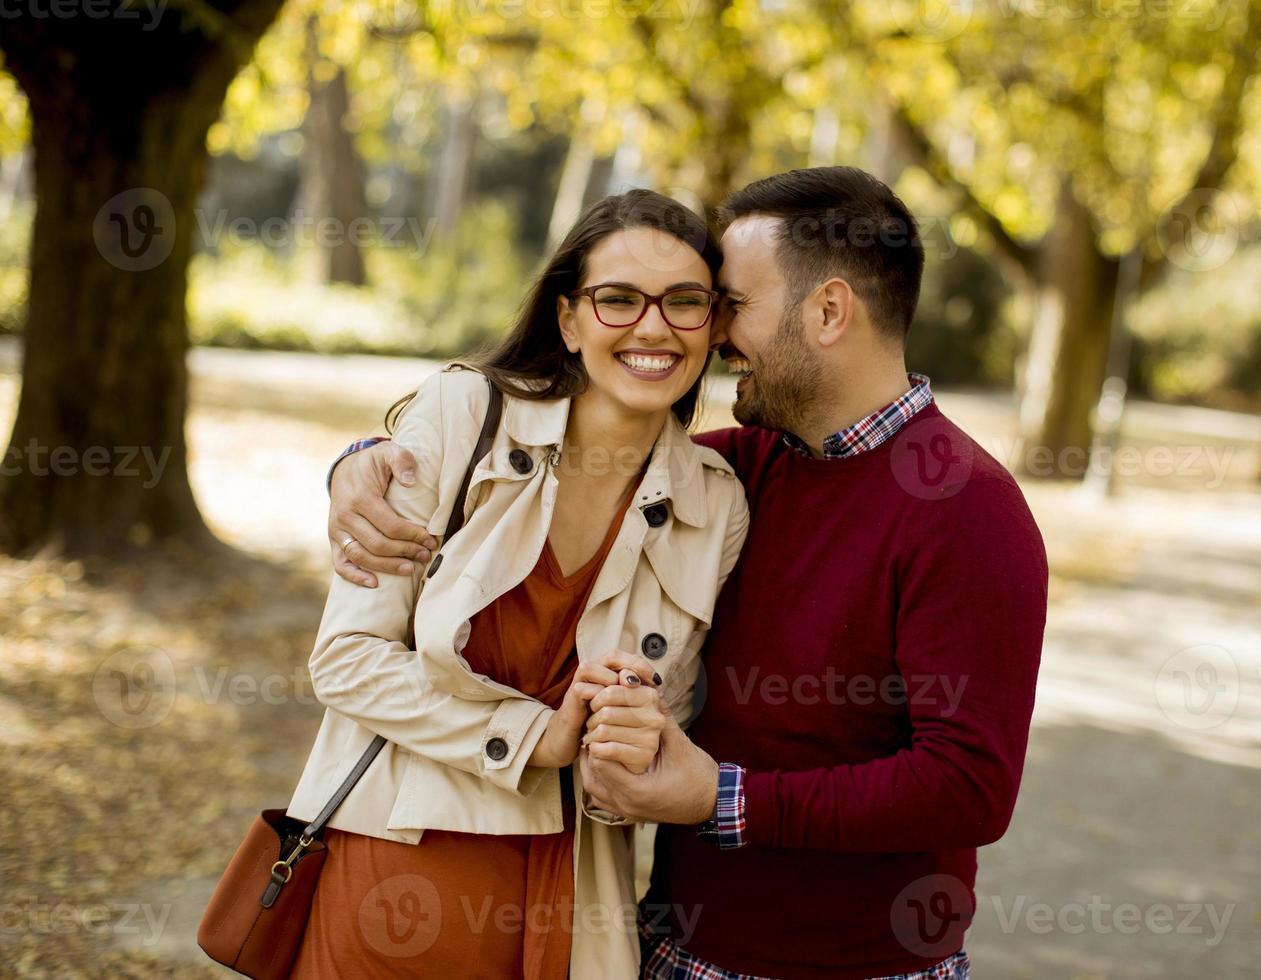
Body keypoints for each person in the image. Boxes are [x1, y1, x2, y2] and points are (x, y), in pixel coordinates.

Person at [327, 167, 1049, 979]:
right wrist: (368, 464)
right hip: (676, 952)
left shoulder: (969, 508)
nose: (712, 336)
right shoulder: (743, 468)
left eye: (728, 305)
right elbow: (580, 461)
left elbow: (969, 786)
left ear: (828, 311)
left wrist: (723, 798)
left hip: (851, 967)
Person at [284, 189, 749, 979]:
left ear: (713, 325)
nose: (652, 327)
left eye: (684, 303)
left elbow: (653, 744)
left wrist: (631, 749)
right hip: (397, 863)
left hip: (570, 898)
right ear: (568, 320)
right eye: (617, 300)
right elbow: (346, 660)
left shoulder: (717, 501)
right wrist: (534, 738)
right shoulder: (464, 413)